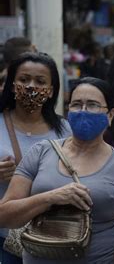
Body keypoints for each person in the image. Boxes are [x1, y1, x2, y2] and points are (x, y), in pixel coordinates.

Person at [0, 77, 114, 263]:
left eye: (93, 105)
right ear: (67, 110)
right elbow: (3, 215)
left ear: (110, 115)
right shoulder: (42, 152)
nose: (83, 111)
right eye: (77, 104)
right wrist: (50, 197)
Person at [0, 52, 72, 263]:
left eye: (40, 81)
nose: (31, 86)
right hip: (4, 238)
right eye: (24, 80)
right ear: (12, 85)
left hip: (53, 238)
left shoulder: (66, 131)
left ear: (50, 91)